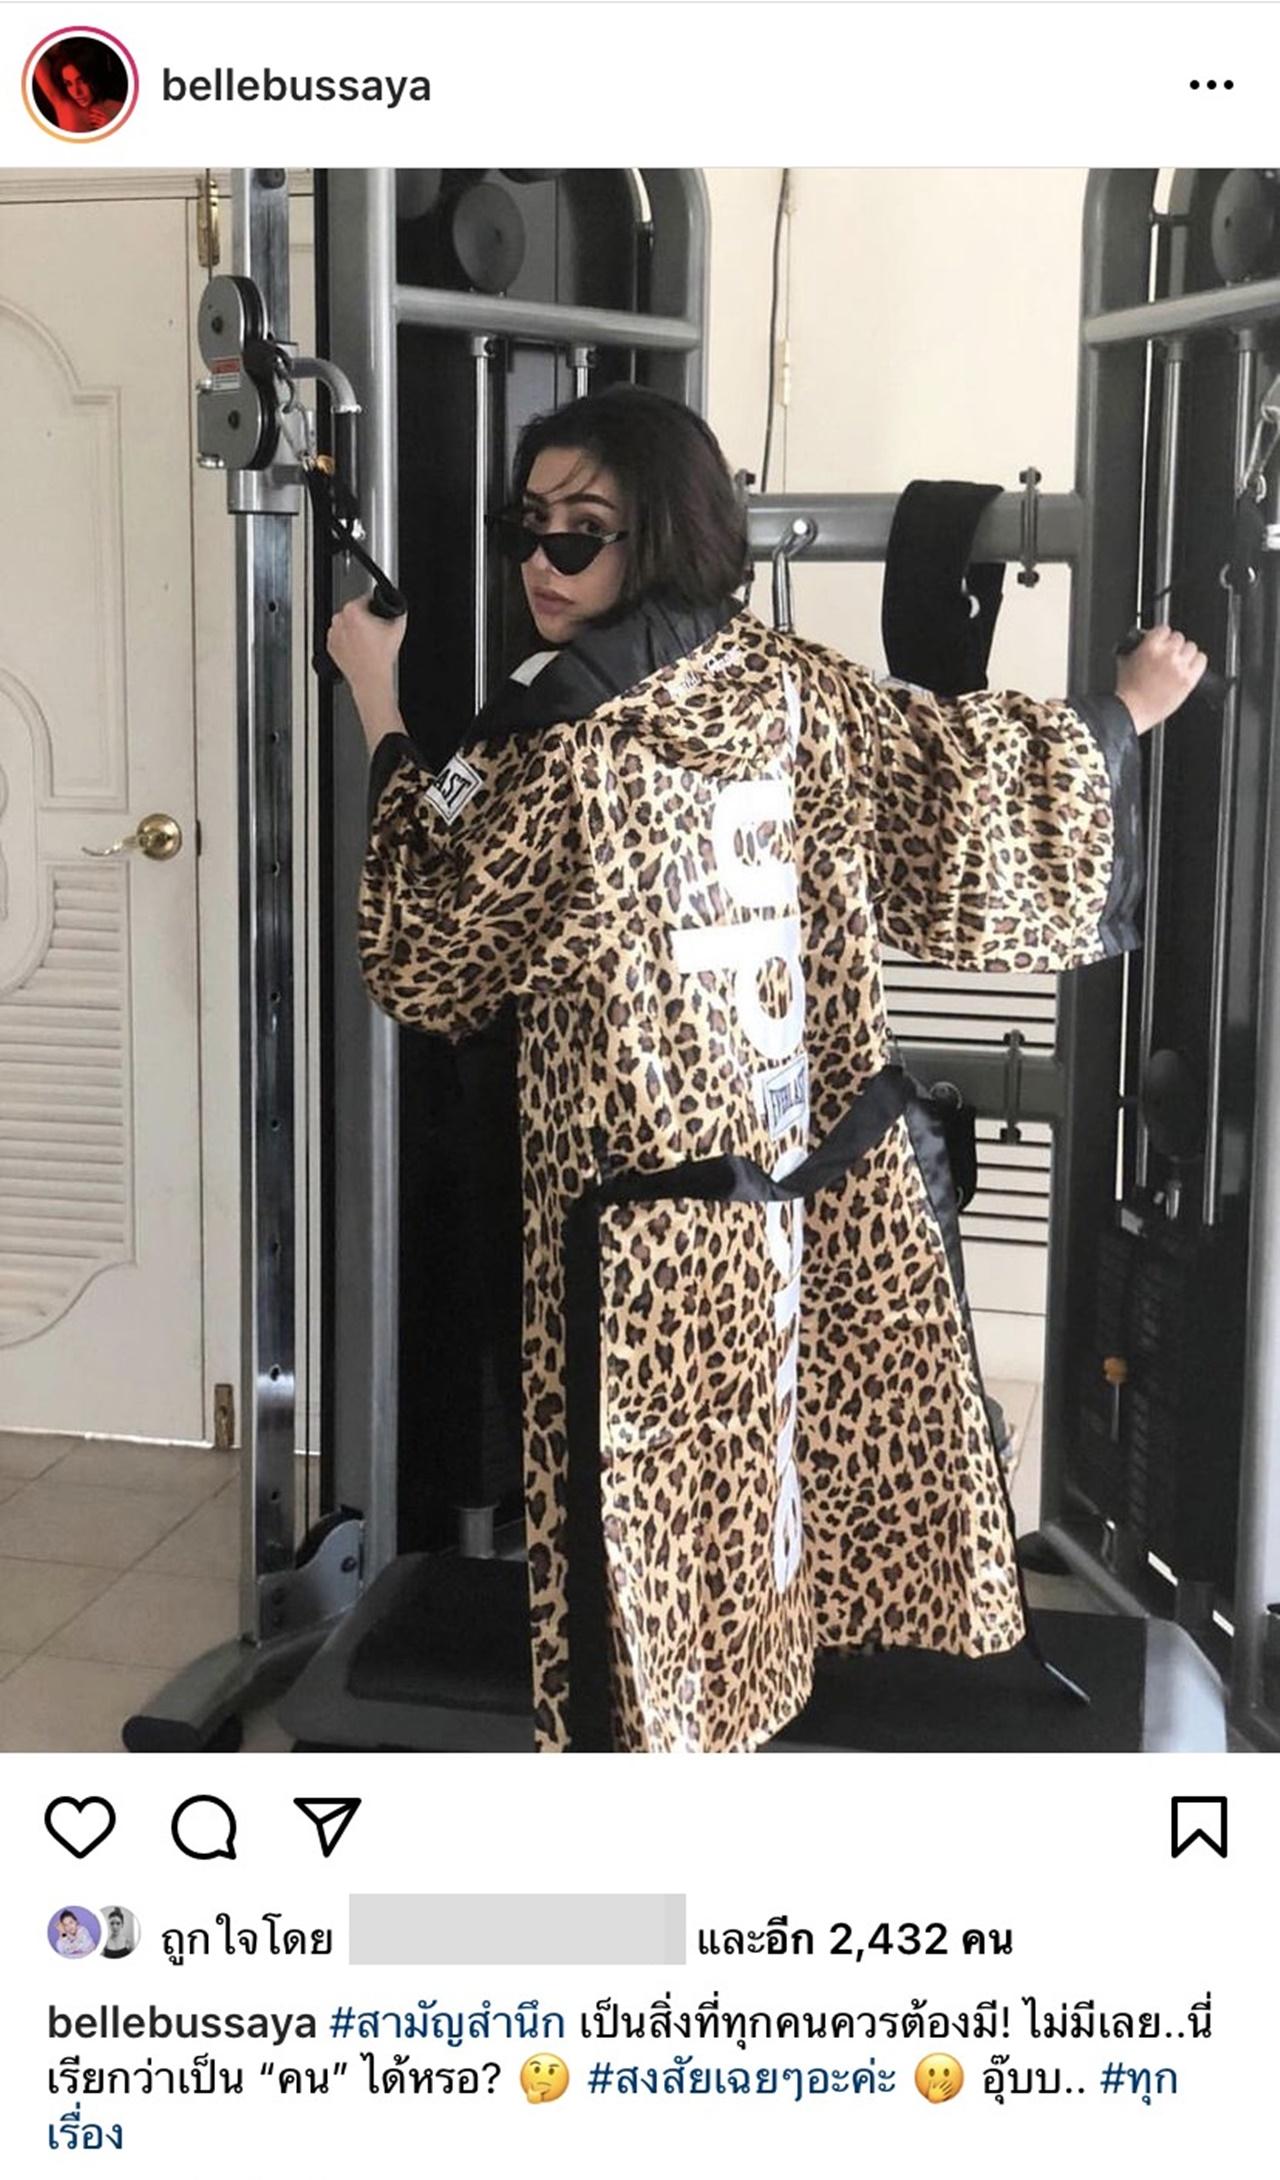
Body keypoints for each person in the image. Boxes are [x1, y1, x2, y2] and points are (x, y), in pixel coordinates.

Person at [329, 386, 1207, 1755]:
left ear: (663, 534)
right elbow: (965, 790)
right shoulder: (790, 685)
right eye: (527, 528)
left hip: (627, 1228)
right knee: (763, 1465)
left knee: (641, 1520)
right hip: (790, 1188)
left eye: (579, 534)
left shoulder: (555, 741)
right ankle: (748, 1722)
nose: (540, 564)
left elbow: (423, 949)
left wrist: (376, 697)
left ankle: (659, 1775)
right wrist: (1122, 712)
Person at [33, 43, 124, 133]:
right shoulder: (64, 105)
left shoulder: (120, 109)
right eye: (68, 84)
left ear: (95, 76)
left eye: (82, 81)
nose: (76, 93)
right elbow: (36, 56)